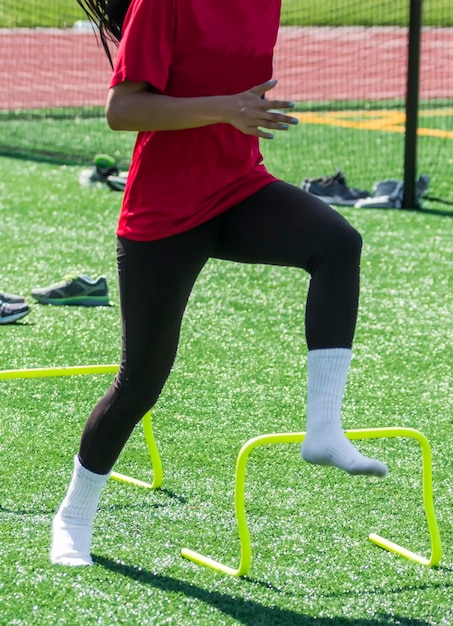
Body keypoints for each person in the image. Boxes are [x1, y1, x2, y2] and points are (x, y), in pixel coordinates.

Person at [50, 0, 388, 567]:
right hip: (164, 211)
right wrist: (226, 109)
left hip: (238, 187)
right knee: (141, 383)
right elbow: (122, 109)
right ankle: (74, 517)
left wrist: (234, 114)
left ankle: (324, 431)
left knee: (337, 243)